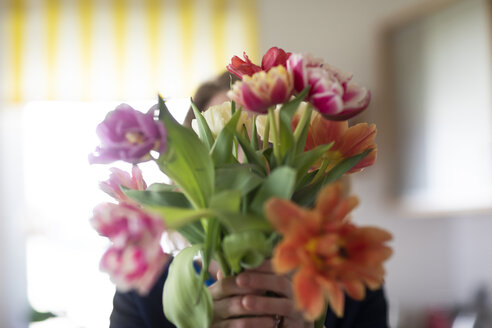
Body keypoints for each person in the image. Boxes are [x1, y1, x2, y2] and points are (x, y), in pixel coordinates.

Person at [109, 72, 389, 328]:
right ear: (189, 165)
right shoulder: (141, 290)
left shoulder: (355, 286)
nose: (246, 165)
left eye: (266, 144)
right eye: (221, 145)